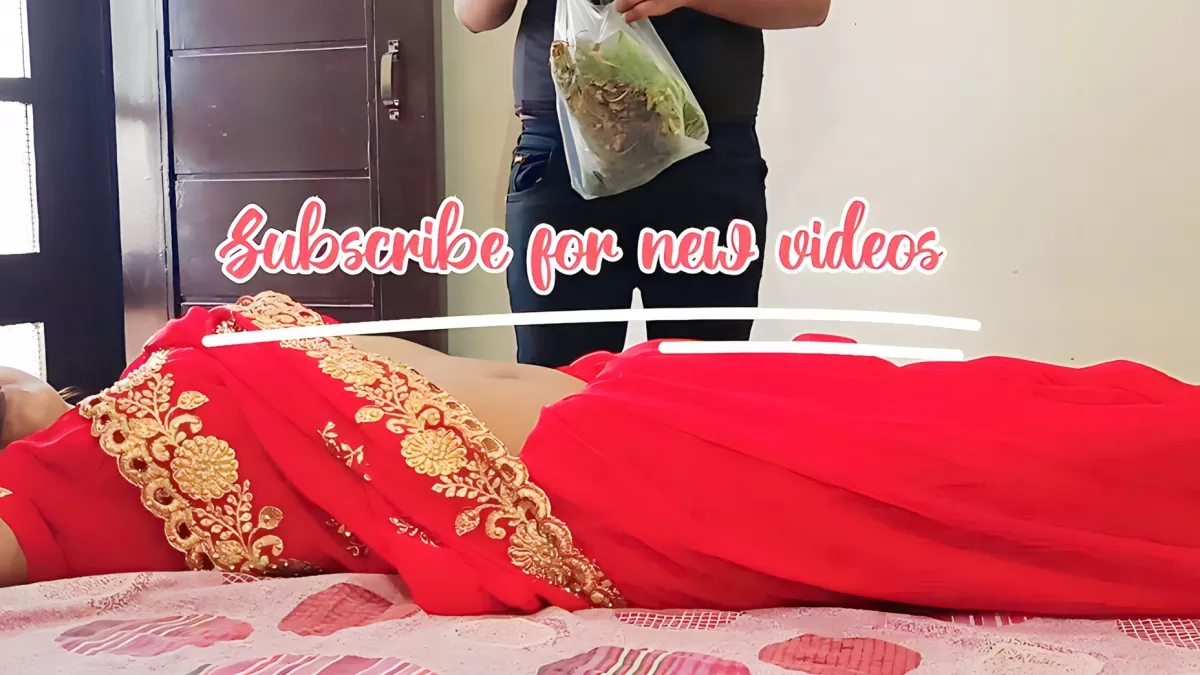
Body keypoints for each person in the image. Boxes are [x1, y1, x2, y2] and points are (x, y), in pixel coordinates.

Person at [1, 291, 1199, 618]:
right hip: (606, 494)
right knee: (997, 472)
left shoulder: (127, 396)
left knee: (997, 405)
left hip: (625, 396)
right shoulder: (48, 494)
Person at [454, 0, 831, 368]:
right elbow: (474, 12)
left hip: (705, 154)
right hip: (567, 153)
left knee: (696, 387)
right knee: (560, 383)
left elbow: (812, 7)